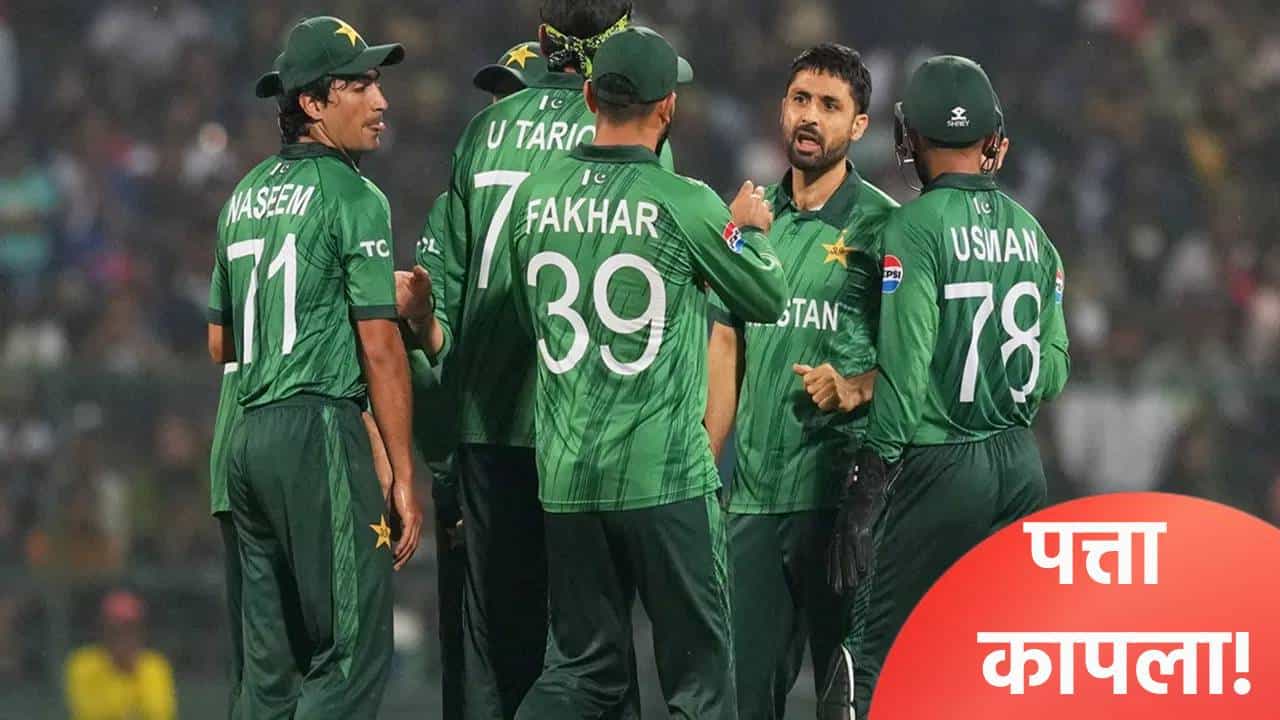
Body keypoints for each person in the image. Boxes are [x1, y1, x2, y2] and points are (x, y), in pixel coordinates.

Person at [396, 3, 670, 716]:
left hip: (489, 433)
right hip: (588, 431)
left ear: (544, 39)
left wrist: (442, 461)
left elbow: (434, 316)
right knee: (595, 656)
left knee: (496, 658)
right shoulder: (625, 125)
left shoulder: (482, 133)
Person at [506, 26, 787, 719]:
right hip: (663, 478)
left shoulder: (533, 195)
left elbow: (526, 316)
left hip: (568, 478)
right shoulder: (685, 201)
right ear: (667, 108)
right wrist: (748, 230)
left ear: (588, 95)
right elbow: (767, 297)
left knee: (581, 675)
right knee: (699, 687)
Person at [822, 55, 1070, 718]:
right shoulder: (1036, 237)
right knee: (987, 663)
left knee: (867, 662)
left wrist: (869, 481)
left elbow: (904, 377)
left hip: (938, 465)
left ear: (909, 137)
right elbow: (1053, 370)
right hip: (1020, 466)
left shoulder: (914, 227)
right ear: (993, 136)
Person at [206, 15, 423, 717]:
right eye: (359, 85)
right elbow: (381, 346)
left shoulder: (242, 196)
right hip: (317, 431)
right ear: (311, 103)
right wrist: (403, 472)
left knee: (268, 678)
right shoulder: (355, 195)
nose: (381, 100)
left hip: (247, 437)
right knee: (352, 654)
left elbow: (220, 344)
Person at [703, 42, 895, 720]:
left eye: (830, 106)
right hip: (753, 506)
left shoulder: (885, 228)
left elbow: (914, 363)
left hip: (840, 507)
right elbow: (725, 345)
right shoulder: (749, 222)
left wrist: (856, 386)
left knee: (846, 705)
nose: (810, 117)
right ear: (782, 109)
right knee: (742, 703)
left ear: (859, 125)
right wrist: (704, 473)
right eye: (800, 100)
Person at [65, 590, 176, 720]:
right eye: (115, 630)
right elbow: (88, 713)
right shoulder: (83, 664)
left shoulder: (155, 665)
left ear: (141, 631)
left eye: (129, 628)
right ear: (103, 630)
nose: (123, 637)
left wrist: (132, 673)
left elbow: (160, 714)